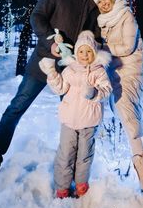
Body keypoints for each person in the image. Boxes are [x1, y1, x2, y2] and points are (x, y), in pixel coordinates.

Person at [0, 0, 101, 207]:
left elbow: (97, 38)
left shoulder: (96, 5)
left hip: (73, 72)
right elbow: (36, 16)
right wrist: (51, 41)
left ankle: (70, 177)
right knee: (15, 108)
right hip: (44, 63)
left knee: (75, 122)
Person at [92, 0, 143, 194]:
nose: (104, 3)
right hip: (114, 72)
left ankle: (141, 163)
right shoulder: (103, 22)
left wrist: (101, 49)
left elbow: (127, 47)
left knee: (125, 107)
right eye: (99, 2)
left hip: (131, 71)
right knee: (117, 109)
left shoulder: (126, 15)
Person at [38, 31, 112, 198]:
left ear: (93, 53)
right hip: (69, 119)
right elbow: (60, 88)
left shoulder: (99, 71)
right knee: (65, 153)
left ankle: (81, 183)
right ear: (76, 53)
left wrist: (94, 93)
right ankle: (62, 186)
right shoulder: (70, 69)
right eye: (81, 51)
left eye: (88, 52)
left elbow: (107, 90)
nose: (84, 55)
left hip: (89, 120)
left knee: (84, 154)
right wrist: (52, 74)